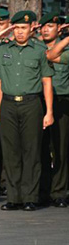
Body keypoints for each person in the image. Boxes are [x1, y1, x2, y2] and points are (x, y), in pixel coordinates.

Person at [0, 11, 53, 211]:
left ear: (31, 29)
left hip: (32, 103)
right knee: (11, 152)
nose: (20, 32)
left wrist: (49, 111)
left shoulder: (39, 50)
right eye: (16, 28)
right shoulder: (1, 48)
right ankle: (14, 198)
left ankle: (30, 197)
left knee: (31, 151)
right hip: (8, 104)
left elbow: (47, 82)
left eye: (23, 28)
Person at [42, 14, 69, 207]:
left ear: (59, 28)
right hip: (37, 101)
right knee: (39, 149)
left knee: (59, 148)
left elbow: (53, 56)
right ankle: (42, 190)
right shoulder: (33, 47)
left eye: (50, 26)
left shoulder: (65, 48)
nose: (45, 29)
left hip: (61, 101)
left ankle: (58, 191)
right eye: (43, 26)